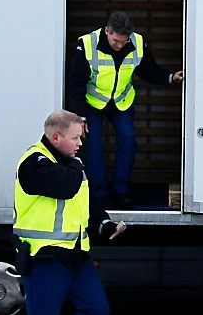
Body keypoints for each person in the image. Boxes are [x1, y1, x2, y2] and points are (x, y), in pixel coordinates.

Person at [14, 109, 126, 315]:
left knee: (96, 309)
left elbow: (86, 200)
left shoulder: (70, 163)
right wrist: (76, 163)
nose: (80, 143)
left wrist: (103, 223)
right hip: (46, 261)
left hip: (77, 258)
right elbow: (66, 186)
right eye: (76, 138)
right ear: (56, 137)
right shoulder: (34, 162)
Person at [66, 11, 184, 208]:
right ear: (107, 32)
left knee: (128, 140)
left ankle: (122, 191)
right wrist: (80, 117)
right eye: (115, 41)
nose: (119, 45)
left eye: (123, 41)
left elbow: (148, 70)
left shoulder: (138, 42)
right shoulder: (86, 44)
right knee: (93, 145)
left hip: (122, 101)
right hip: (92, 102)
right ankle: (99, 194)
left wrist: (170, 77)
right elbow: (76, 83)